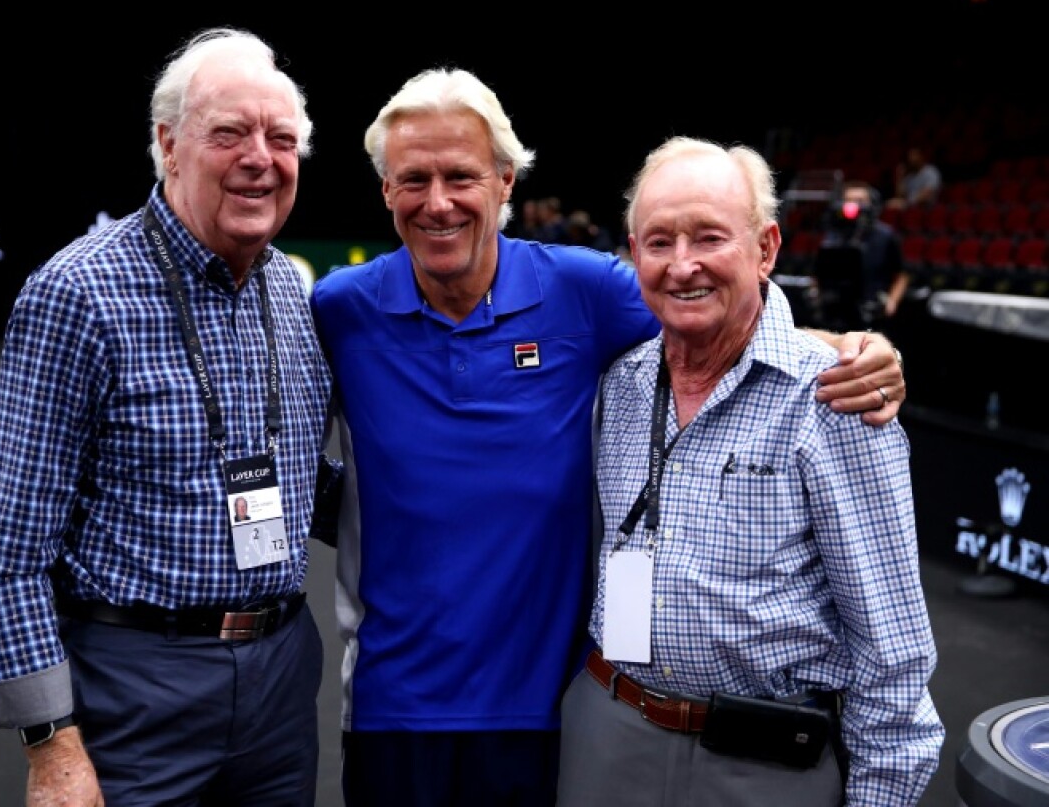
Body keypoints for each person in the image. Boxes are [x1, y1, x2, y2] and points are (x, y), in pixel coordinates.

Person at [310, 67, 908, 807]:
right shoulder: (339, 311)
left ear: (505, 183)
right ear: (385, 192)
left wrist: (852, 348)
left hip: (552, 712)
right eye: (414, 179)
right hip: (392, 711)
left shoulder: (584, 291)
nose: (438, 202)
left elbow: (713, 308)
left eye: (460, 176)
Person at [0, 27, 331, 806]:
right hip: (135, 687)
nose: (259, 157)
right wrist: (52, 748)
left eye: (281, 138)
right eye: (228, 133)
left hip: (280, 682)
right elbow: (8, 557)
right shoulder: (79, 295)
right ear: (167, 144)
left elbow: (301, 486)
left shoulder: (291, 294)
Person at [556, 137, 943, 807]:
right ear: (632, 252)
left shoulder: (835, 399)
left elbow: (894, 651)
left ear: (765, 248)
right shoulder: (617, 384)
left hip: (762, 764)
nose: (682, 266)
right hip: (608, 739)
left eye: (709, 237)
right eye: (658, 242)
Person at [813, 180, 910, 332]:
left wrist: (892, 301)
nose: (854, 205)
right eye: (849, 200)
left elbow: (901, 275)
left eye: (860, 201)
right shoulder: (832, 236)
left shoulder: (886, 236)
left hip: (872, 312)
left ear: (871, 204)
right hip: (837, 314)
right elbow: (818, 274)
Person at [886, 146, 942, 210]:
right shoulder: (910, 176)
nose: (911, 159)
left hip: (926, 208)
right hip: (910, 207)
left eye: (914, 156)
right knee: (890, 204)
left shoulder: (931, 171)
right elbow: (900, 195)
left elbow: (927, 194)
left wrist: (907, 203)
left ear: (921, 156)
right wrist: (900, 177)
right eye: (910, 156)